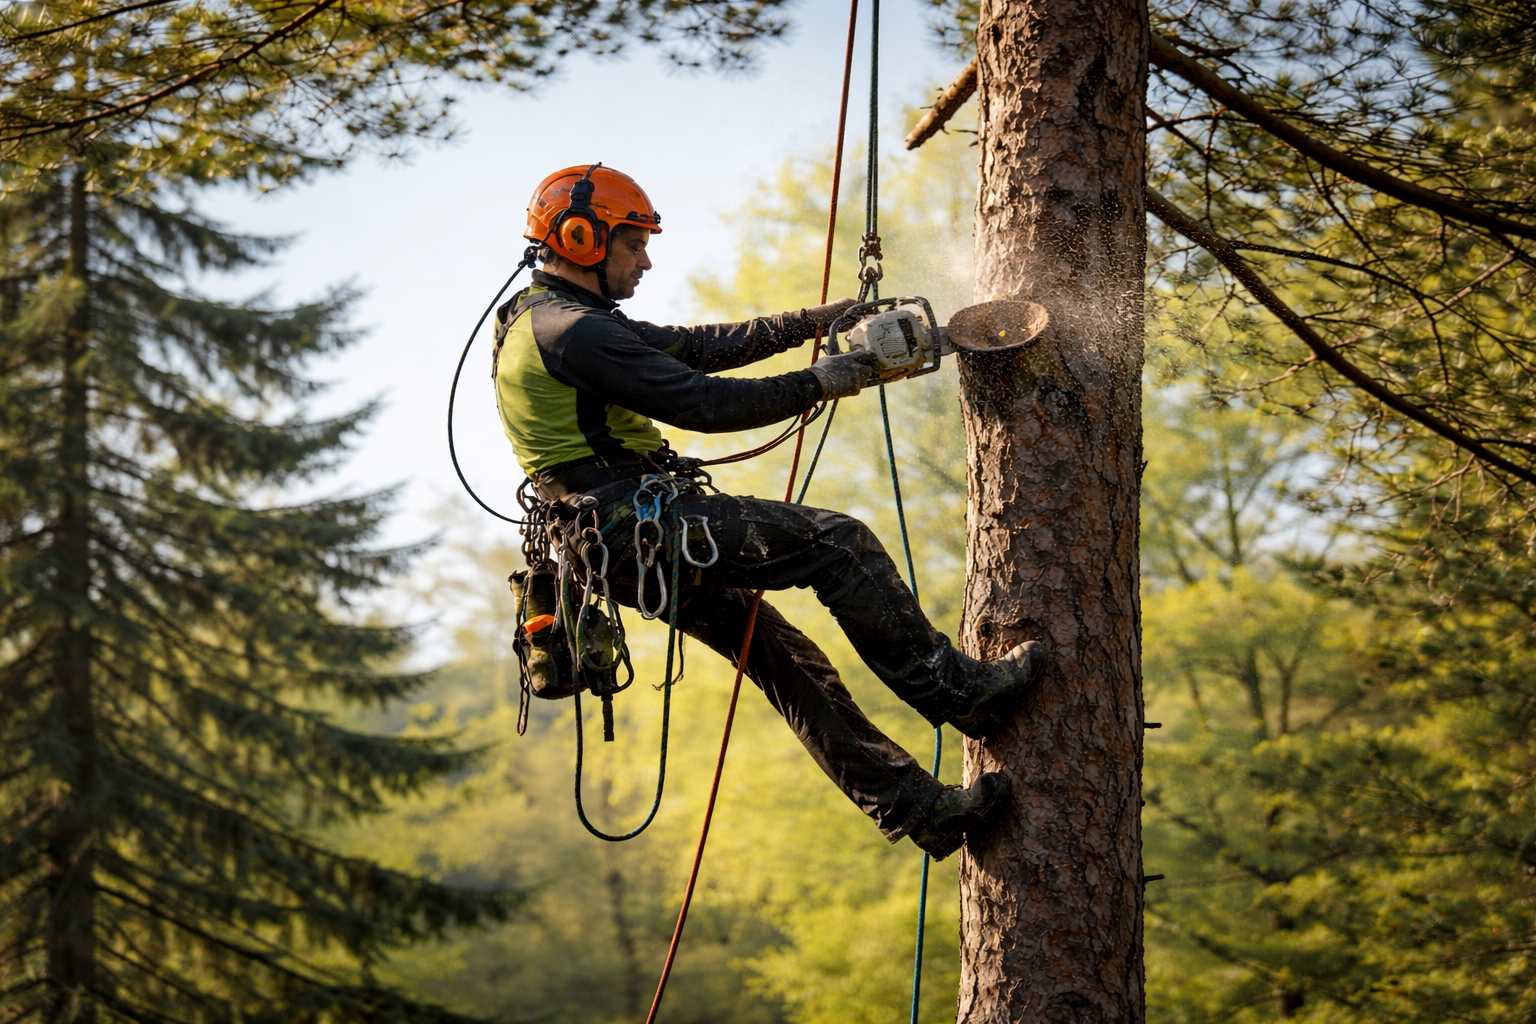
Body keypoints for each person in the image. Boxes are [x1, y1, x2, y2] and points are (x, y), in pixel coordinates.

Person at [494, 163, 1047, 859]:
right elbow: (703, 402)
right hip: (636, 528)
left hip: (616, 542)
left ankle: (923, 811)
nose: (645, 258)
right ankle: (959, 692)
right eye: (633, 244)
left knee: (785, 660)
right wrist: (824, 379)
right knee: (838, 545)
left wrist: (815, 323)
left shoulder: (553, 322)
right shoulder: (572, 332)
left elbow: (698, 348)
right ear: (581, 239)